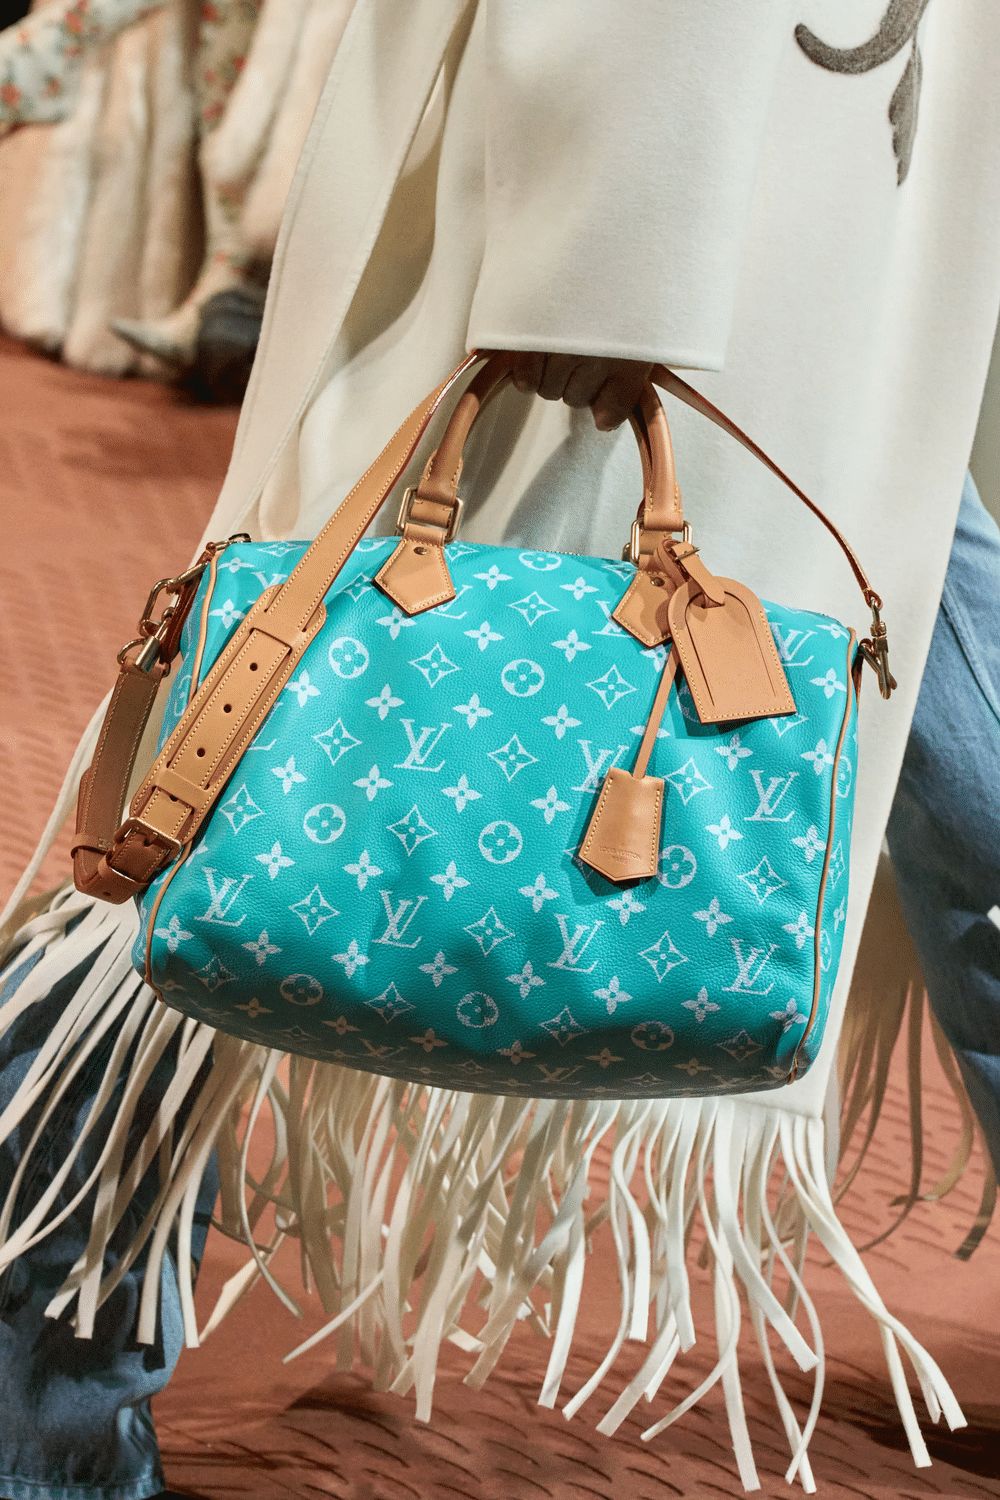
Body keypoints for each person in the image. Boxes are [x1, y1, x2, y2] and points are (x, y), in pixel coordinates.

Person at [3, 2, 1000, 1495]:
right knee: (275, 777)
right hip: (700, 193)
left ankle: (36, 1409)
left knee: (282, 762)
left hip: (786, 191)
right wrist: (610, 256)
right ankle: (37, 1416)